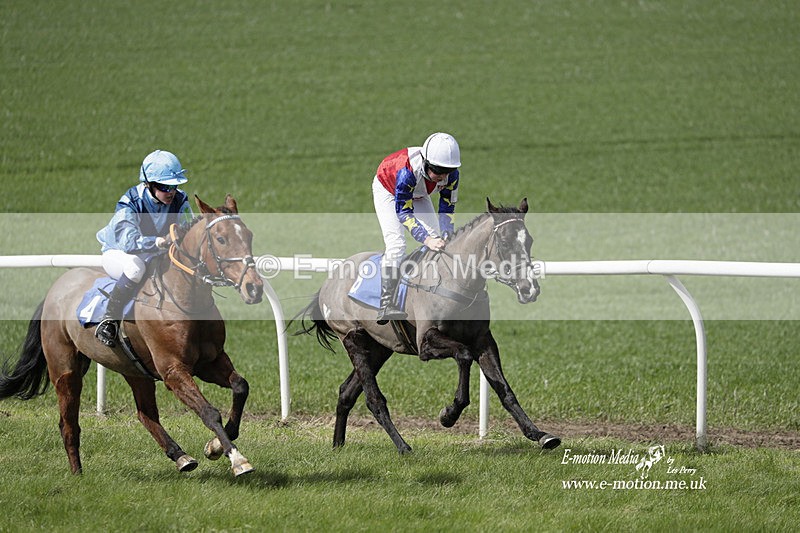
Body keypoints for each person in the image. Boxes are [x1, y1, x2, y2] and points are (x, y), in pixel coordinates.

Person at [94, 150, 194, 346]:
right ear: (149, 184)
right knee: (135, 268)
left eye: (174, 186)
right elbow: (128, 242)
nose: (171, 192)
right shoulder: (130, 202)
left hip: (155, 252)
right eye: (165, 187)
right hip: (119, 252)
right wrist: (159, 242)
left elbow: (188, 229)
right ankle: (109, 321)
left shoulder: (180, 200)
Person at [372, 132, 461, 324]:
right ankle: (386, 303)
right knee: (397, 245)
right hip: (388, 190)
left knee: (439, 240)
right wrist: (426, 239)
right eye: (438, 171)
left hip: (419, 193)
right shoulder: (407, 172)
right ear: (427, 163)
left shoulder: (451, 175)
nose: (443, 177)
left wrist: (446, 235)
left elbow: (447, 207)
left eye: (447, 171)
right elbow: (404, 212)